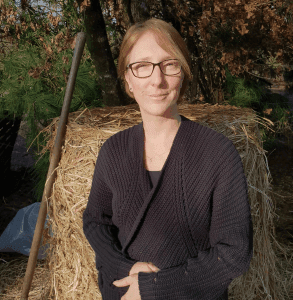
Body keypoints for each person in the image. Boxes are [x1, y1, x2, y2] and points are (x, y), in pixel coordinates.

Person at [83, 18, 253, 300]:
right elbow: (95, 222)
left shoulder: (217, 154)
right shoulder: (113, 150)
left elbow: (234, 253)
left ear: (183, 72)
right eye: (142, 66)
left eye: (169, 64)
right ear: (127, 78)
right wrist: (126, 268)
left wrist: (154, 287)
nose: (157, 79)